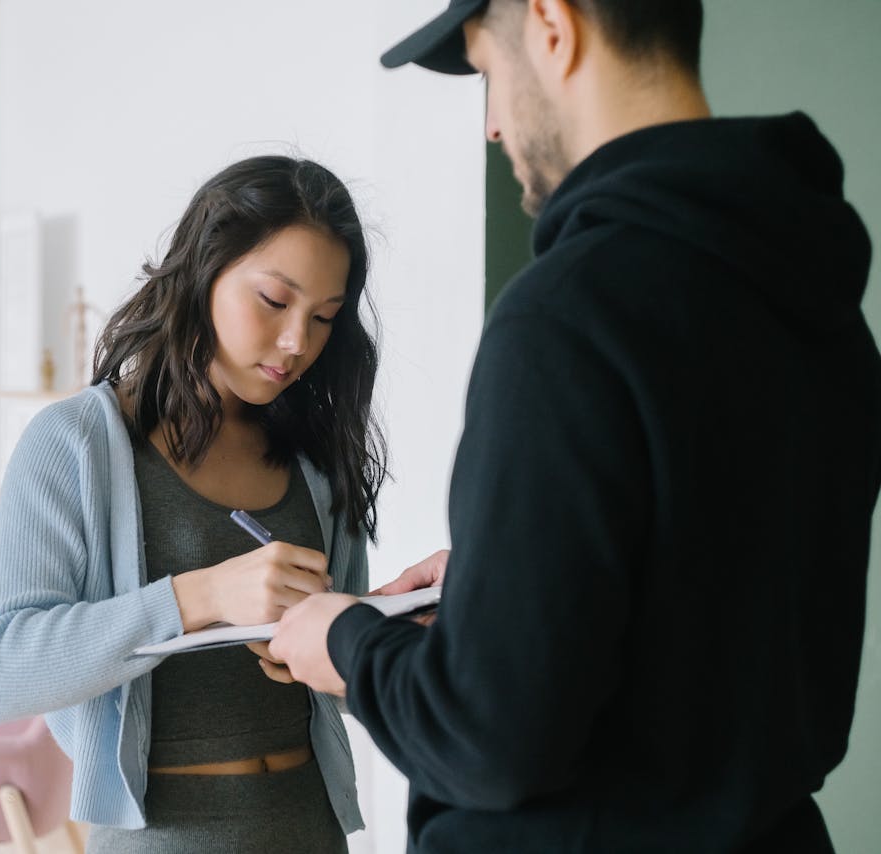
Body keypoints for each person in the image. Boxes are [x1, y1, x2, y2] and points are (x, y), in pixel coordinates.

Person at [269, 1, 881, 851]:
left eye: (487, 72)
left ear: (554, 25)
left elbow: (491, 738)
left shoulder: (570, 313)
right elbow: (711, 602)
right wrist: (502, 586)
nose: (490, 126)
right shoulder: (823, 309)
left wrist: (350, 642)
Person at [0, 154, 387, 853]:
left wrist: (388, 629)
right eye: (275, 302)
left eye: (324, 318)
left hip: (310, 827)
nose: (297, 343)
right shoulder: (75, 445)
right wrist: (201, 597)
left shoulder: (313, 458)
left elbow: (342, 687)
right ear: (203, 271)